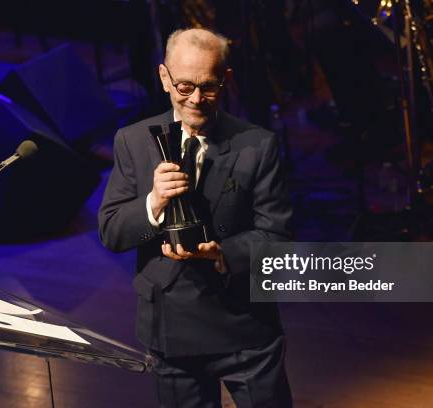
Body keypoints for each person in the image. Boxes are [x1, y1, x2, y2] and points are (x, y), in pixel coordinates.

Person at [98, 28, 293, 407]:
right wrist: (153, 202)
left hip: (244, 327)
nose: (196, 99)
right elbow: (111, 232)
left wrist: (222, 253)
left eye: (209, 86)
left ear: (227, 80)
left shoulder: (257, 144)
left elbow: (279, 239)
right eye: (184, 86)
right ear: (163, 78)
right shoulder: (133, 141)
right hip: (171, 328)